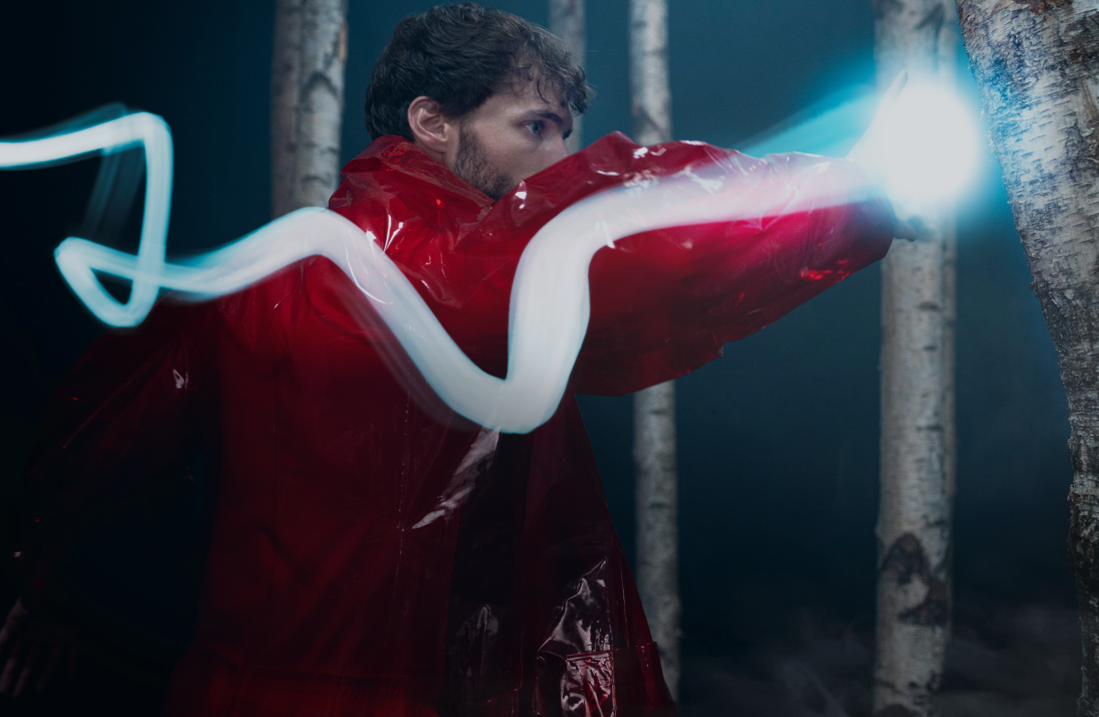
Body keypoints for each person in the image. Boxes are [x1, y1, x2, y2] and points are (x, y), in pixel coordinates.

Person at [1, 4, 899, 715]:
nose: (556, 159)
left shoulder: (272, 271)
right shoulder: (455, 269)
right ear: (432, 122)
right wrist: (850, 201)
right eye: (535, 127)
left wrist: (49, 591)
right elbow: (117, 443)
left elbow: (106, 449)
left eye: (564, 133)